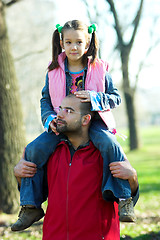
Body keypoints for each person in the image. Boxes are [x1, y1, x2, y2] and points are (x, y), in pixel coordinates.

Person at [11, 20, 134, 232]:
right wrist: (50, 120)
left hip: (93, 122)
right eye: (69, 42)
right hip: (61, 124)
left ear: (87, 44)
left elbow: (115, 98)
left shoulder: (99, 70)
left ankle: (124, 198)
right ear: (61, 43)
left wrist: (95, 98)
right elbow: (45, 100)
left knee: (109, 144)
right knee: (32, 149)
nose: (74, 47)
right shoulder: (53, 72)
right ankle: (30, 205)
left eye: (79, 42)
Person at [13, 95, 139, 239]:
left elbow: (126, 197)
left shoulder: (106, 153)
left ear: (85, 119)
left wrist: (133, 177)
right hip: (54, 236)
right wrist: (19, 174)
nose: (59, 114)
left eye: (69, 111)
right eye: (60, 109)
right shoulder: (50, 153)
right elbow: (39, 192)